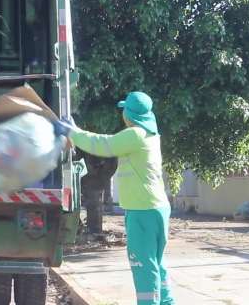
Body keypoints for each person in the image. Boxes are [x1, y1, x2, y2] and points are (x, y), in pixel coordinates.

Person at [54, 91, 174, 305]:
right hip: (157, 208)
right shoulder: (151, 136)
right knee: (156, 263)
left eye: (124, 110)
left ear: (129, 114)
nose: (123, 115)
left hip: (142, 211)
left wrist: (73, 132)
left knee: (143, 264)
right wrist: (76, 131)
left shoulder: (135, 135)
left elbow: (103, 144)